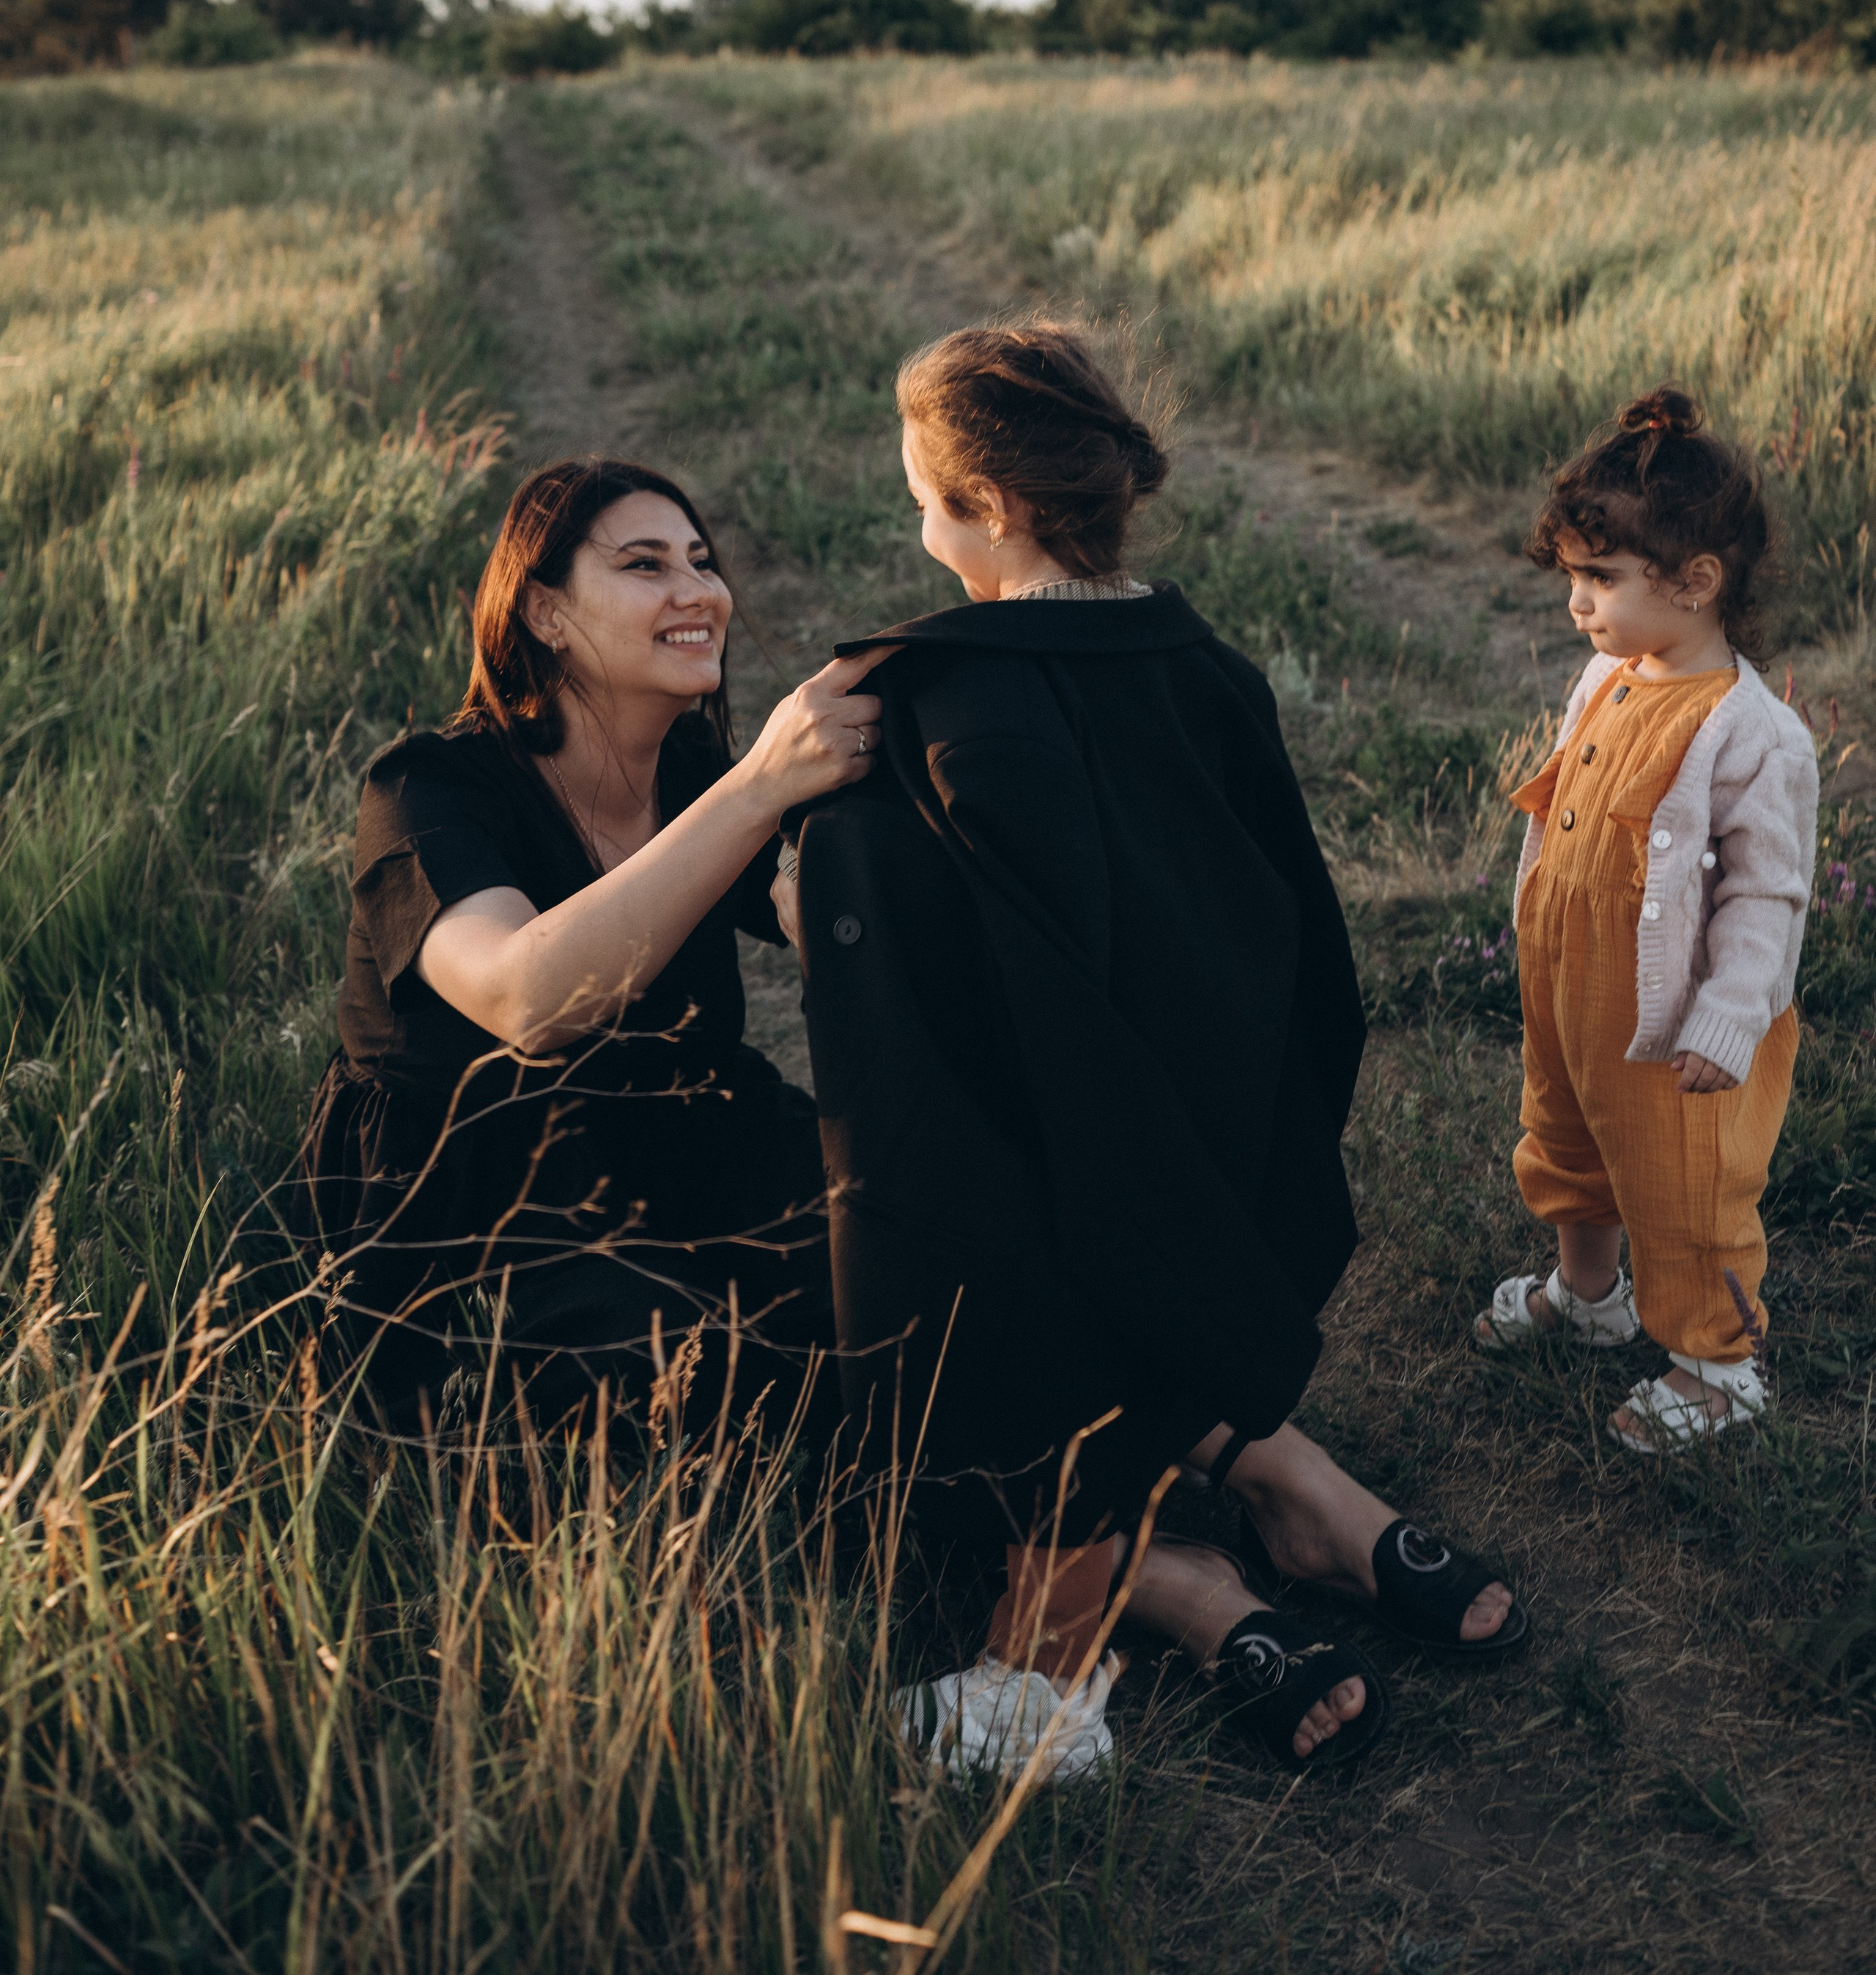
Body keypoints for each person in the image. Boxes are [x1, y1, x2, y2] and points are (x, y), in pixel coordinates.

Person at [776, 323, 1524, 1782]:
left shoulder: (932, 706)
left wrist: (822, 915)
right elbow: (1291, 940)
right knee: (1136, 1275)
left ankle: (1041, 1678)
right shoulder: (1210, 669)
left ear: (984, 509)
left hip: (1042, 1199)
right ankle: (1276, 1509)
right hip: (1211, 1151)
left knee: (1018, 1345)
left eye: (922, 495)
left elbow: (944, 1027)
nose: (916, 523)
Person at [295, 457, 887, 1436]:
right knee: (735, 1400)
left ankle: (1176, 1510)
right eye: (645, 566)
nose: (698, 590)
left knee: (918, 1255)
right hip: (491, 1209)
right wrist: (753, 795)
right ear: (546, 614)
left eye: (700, 561)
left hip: (686, 1140)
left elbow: (807, 903)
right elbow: (526, 999)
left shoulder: (689, 767)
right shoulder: (426, 790)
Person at [1477, 387, 1818, 1455]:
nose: (1578, 602)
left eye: (1600, 580)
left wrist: (1730, 1017)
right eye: (1576, 577)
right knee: (1569, 1141)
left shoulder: (1754, 735)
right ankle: (1590, 1298)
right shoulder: (1612, 677)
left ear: (1696, 581)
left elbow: (1767, 896)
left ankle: (1718, 1364)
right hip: (1575, 989)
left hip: (1677, 1029)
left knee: (1683, 1187)